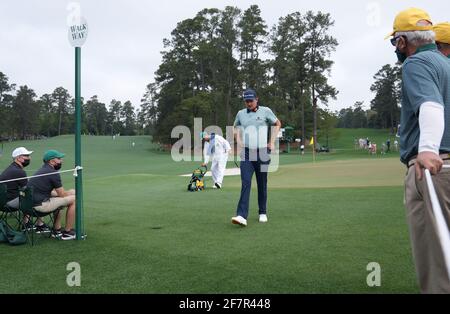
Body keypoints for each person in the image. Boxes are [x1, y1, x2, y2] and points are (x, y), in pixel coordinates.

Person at [387, 8, 450, 293]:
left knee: (438, 264)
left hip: (433, 169)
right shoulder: (445, 65)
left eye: (394, 42)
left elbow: (431, 106)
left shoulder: (416, 64)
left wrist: (426, 149)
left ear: (403, 42)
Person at [231, 88, 281, 227]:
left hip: (263, 152)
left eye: (251, 100)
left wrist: (271, 142)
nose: (249, 103)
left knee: (262, 183)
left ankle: (262, 212)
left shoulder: (266, 111)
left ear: (256, 99)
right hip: (247, 153)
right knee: (245, 183)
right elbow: (234, 127)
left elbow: (277, 124)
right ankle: (241, 216)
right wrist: (239, 142)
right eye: (246, 101)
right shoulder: (240, 114)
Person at [28, 150, 76, 240]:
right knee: (74, 199)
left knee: (59, 200)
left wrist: (68, 193)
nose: (61, 161)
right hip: (38, 207)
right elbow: (62, 194)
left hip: (29, 206)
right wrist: (71, 192)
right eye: (59, 159)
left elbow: (48, 191)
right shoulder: (53, 173)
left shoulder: (42, 169)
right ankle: (67, 233)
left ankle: (57, 230)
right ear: (51, 161)